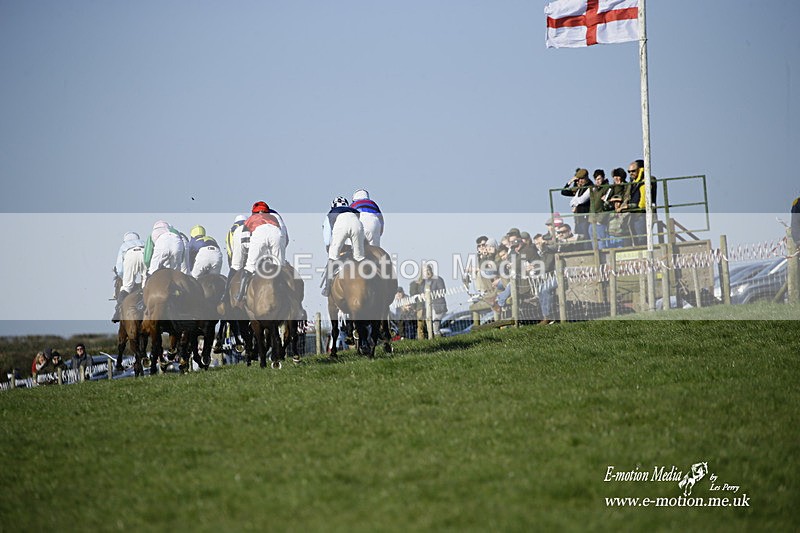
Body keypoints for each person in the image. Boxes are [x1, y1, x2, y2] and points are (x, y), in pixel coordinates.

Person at [235, 201, 285, 302]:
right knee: (279, 266)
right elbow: (282, 238)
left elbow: (245, 243)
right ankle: (285, 294)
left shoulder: (250, 219)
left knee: (249, 266)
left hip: (259, 234)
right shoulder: (273, 218)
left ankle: (241, 294)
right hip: (276, 233)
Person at [321, 196, 365, 297]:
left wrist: (328, 247)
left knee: (333, 256)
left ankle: (327, 288)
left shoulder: (331, 213)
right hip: (357, 224)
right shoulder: (353, 211)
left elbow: (327, 237)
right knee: (359, 258)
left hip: (341, 226)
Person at [112, 231, 145, 322]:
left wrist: (123, 277)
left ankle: (117, 312)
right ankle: (143, 304)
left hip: (130, 256)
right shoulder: (143, 242)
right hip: (144, 254)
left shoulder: (124, 246)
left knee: (127, 287)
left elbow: (120, 268)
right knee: (146, 285)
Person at [561, 168, 591, 239]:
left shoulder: (588, 187)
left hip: (585, 217)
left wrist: (575, 203)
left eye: (581, 179)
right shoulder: (578, 189)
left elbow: (581, 200)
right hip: (578, 218)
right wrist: (570, 182)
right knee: (579, 236)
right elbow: (564, 192)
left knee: (585, 236)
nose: (579, 182)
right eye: (577, 180)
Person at [422, 264, 448, 337]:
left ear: (431, 270)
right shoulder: (424, 282)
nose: (426, 272)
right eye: (424, 271)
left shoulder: (438, 279)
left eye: (428, 270)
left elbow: (442, 291)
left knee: (435, 326)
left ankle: (438, 339)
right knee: (430, 326)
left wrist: (430, 295)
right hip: (429, 307)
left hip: (438, 306)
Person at [588, 169, 611, 249]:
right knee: (594, 244)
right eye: (596, 179)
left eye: (599, 179)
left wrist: (600, 220)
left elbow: (607, 206)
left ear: (603, 178)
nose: (597, 181)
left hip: (600, 221)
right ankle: (596, 259)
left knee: (601, 243)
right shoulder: (594, 190)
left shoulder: (607, 188)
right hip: (592, 220)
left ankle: (604, 259)